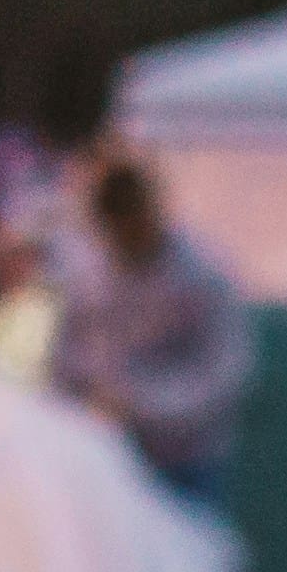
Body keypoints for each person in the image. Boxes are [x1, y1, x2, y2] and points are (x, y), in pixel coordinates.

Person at [51, 151, 255, 495]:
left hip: (184, 461)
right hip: (109, 457)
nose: (126, 234)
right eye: (115, 225)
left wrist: (141, 403)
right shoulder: (87, 276)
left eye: (133, 218)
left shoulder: (201, 276)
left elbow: (225, 374)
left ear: (152, 209)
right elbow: (67, 362)